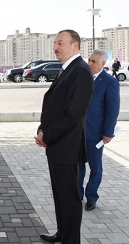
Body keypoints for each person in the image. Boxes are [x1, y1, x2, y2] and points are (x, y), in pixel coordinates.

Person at [34, 29, 93, 244]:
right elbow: (55, 106)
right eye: (55, 43)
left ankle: (70, 240)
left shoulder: (80, 71)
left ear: (75, 45)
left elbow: (73, 115)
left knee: (69, 199)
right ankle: (62, 233)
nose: (55, 47)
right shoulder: (68, 69)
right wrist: (43, 130)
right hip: (57, 145)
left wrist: (46, 136)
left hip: (66, 147)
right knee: (59, 195)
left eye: (60, 43)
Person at [79, 49, 120, 212]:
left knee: (95, 168)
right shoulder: (82, 79)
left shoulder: (110, 82)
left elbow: (112, 110)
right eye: (89, 60)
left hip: (95, 133)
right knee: (78, 166)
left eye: (93, 61)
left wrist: (108, 133)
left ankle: (91, 197)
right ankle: (77, 196)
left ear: (103, 63)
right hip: (78, 132)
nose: (89, 63)